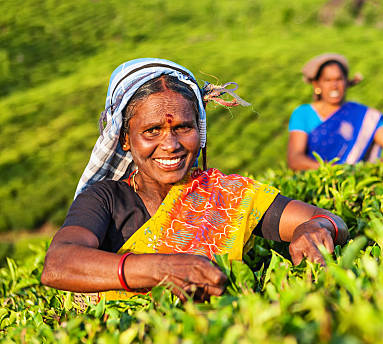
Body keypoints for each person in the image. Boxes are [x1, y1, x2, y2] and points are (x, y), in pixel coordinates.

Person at [41, 58, 348, 302]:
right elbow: (58, 264)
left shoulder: (226, 196)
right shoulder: (105, 198)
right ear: (124, 138)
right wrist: (161, 268)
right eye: (152, 131)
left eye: (183, 128)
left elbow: (329, 220)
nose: (171, 144)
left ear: (198, 131)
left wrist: (315, 228)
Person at [287, 53, 383, 171]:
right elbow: (295, 159)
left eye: (339, 79)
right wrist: (335, 170)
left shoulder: (363, 115)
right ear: (316, 84)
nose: (334, 85)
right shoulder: (303, 114)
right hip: (315, 184)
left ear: (347, 82)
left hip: (352, 185)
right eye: (327, 80)